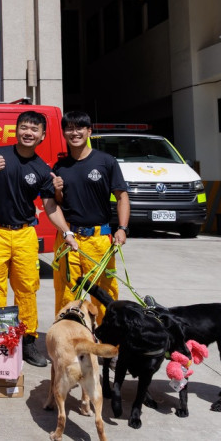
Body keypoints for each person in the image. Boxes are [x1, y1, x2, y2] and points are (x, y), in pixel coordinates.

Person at [0, 110, 79, 368]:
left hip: (24, 234)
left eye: (34, 129)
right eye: (24, 127)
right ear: (16, 129)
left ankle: (26, 341)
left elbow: (51, 206)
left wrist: (66, 232)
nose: (28, 132)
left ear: (42, 135)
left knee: (27, 288)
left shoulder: (43, 169)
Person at [51, 110, 129, 324]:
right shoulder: (60, 166)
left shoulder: (106, 161)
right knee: (67, 293)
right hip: (69, 240)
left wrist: (122, 228)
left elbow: (122, 196)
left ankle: (109, 341)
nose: (74, 132)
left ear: (89, 131)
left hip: (99, 240)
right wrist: (57, 190)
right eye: (69, 128)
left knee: (104, 292)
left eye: (79, 128)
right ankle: (70, 338)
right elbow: (56, 204)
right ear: (64, 132)